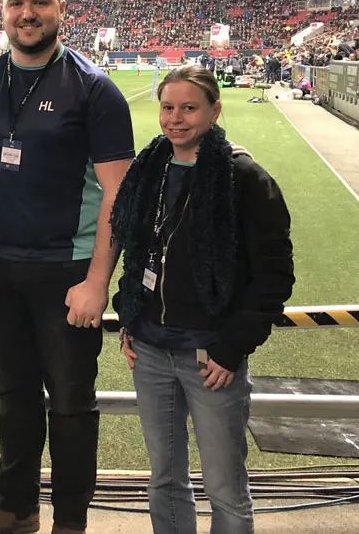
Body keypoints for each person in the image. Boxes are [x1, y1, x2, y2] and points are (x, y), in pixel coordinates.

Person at [0, 0, 135, 534]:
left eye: (40, 2)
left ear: (61, 8)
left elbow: (118, 196)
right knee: (14, 396)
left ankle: (71, 523)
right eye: (16, 2)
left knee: (73, 403)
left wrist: (97, 282)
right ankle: (16, 507)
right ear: (2, 9)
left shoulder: (94, 89)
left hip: (67, 272)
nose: (27, 13)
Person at [111, 64, 294, 534]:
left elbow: (274, 275)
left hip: (210, 356)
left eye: (189, 108)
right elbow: (137, 249)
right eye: (168, 107)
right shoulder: (149, 169)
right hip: (151, 350)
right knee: (165, 479)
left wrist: (232, 347)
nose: (176, 118)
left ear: (214, 111)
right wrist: (129, 315)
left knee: (224, 486)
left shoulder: (244, 177)